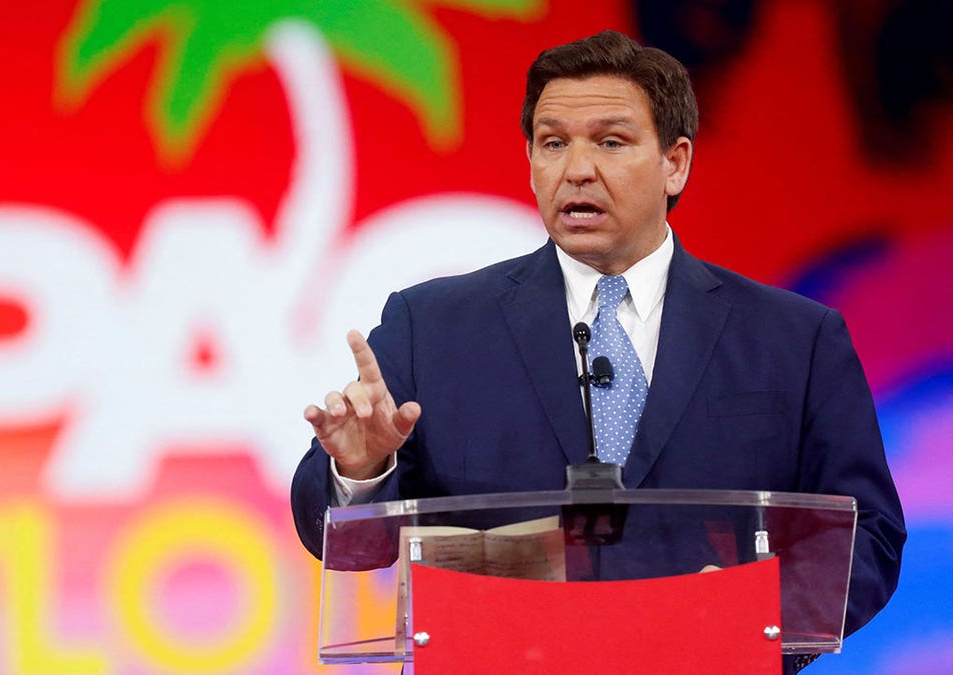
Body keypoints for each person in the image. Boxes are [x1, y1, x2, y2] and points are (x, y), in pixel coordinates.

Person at [290, 30, 905, 672]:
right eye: (553, 143)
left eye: (610, 141)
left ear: (676, 162)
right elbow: (345, 544)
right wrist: (361, 474)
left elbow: (868, 536)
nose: (577, 168)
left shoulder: (795, 340)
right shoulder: (432, 326)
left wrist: (740, 621)